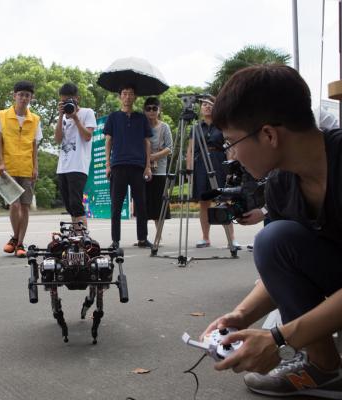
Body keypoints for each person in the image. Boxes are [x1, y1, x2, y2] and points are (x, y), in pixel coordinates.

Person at [201, 64, 342, 398]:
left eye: (233, 142)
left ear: (269, 135)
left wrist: (280, 337)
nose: (231, 156)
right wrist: (240, 316)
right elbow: (278, 271)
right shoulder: (280, 185)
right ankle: (324, 367)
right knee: (273, 240)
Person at [185, 96, 240, 249]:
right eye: (204, 104)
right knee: (204, 203)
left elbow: (230, 148)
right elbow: (189, 150)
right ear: (200, 108)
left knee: (224, 200)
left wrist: (230, 169)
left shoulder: (222, 126)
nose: (207, 107)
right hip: (201, 163)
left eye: (210, 104)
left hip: (218, 162)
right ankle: (205, 238)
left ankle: (232, 238)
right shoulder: (195, 127)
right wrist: (189, 171)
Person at [0, 80, 42, 258]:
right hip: (7, 167)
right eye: (20, 94)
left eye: (27, 95)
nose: (24, 98)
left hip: (27, 168)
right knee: (13, 205)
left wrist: (36, 167)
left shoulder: (35, 119)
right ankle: (16, 238)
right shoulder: (2, 115)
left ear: (32, 98)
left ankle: (19, 243)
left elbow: (34, 146)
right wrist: (0, 162)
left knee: (25, 207)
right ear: (14, 95)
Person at [104, 86, 153, 249]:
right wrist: (107, 164)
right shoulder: (113, 117)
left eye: (131, 94)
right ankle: (115, 240)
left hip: (138, 165)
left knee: (141, 204)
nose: (127, 97)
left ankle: (142, 238)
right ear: (120, 97)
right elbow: (108, 141)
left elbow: (147, 142)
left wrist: (148, 166)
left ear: (135, 97)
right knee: (116, 205)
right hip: (118, 165)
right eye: (124, 93)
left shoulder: (141, 118)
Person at [53, 83, 97, 230]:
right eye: (64, 101)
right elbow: (58, 139)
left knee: (76, 204)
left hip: (78, 166)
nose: (67, 104)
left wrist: (76, 118)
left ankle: (83, 239)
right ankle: (76, 238)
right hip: (63, 167)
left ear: (77, 98)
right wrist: (60, 115)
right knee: (69, 205)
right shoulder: (63, 116)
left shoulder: (87, 112)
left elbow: (87, 136)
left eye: (70, 100)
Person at [142, 97, 173, 230]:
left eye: (155, 108)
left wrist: (153, 156)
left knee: (159, 206)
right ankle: (142, 237)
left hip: (159, 171)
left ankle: (158, 237)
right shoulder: (141, 126)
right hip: (142, 169)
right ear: (144, 111)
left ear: (159, 110)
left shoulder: (164, 127)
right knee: (142, 204)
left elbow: (170, 148)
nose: (152, 111)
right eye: (148, 108)